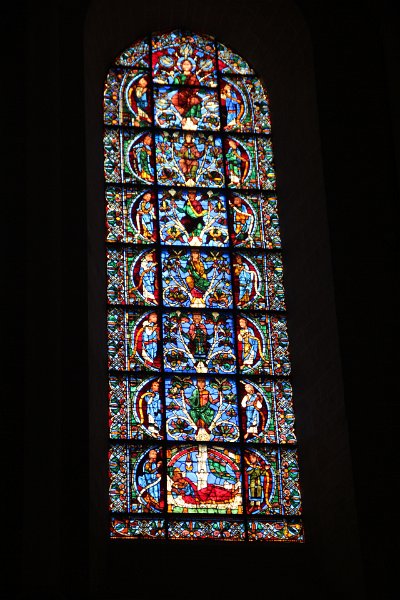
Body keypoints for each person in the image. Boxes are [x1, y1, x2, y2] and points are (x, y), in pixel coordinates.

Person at [171, 59, 202, 128]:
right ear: (181, 66)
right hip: (181, 94)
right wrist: (175, 79)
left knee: (193, 100)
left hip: (191, 93)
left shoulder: (194, 76)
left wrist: (194, 90)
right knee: (175, 100)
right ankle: (184, 117)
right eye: (184, 64)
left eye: (188, 64)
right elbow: (175, 85)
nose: (186, 66)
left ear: (191, 66)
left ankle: (192, 116)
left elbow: (198, 86)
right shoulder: (179, 76)